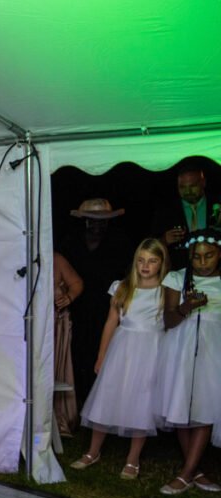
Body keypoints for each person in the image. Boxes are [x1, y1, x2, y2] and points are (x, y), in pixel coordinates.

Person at [69, 239, 167, 479]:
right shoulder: (122, 287)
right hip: (122, 348)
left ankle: (133, 459)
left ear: (161, 264)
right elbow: (111, 322)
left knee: (142, 398)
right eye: (141, 260)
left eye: (152, 261)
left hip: (150, 350)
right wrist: (102, 354)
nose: (145, 266)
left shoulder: (166, 291)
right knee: (108, 393)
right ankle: (93, 451)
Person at [156, 228, 221, 495]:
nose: (203, 262)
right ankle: (196, 471)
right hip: (180, 348)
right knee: (180, 405)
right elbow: (168, 321)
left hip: (213, 351)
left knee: (206, 406)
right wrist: (187, 307)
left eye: (209, 256)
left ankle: (185, 474)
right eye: (197, 257)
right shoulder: (177, 278)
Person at [61, 198, 131, 406]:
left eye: (103, 220)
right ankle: (79, 402)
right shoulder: (71, 241)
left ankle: (104, 404)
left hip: (107, 308)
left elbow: (129, 274)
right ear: (85, 221)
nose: (98, 225)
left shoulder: (120, 242)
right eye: (93, 220)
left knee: (104, 354)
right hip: (77, 308)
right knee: (77, 353)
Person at [156, 166, 219, 270]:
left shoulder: (217, 204)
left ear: (203, 182)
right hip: (178, 270)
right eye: (182, 187)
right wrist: (164, 240)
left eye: (193, 186)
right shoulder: (166, 211)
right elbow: (150, 244)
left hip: (215, 270)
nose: (188, 191)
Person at [52, 252, 83, 438]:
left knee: (53, 368)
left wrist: (69, 297)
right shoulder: (14, 254)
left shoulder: (57, 259)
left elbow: (77, 283)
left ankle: (58, 416)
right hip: (21, 326)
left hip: (54, 326)